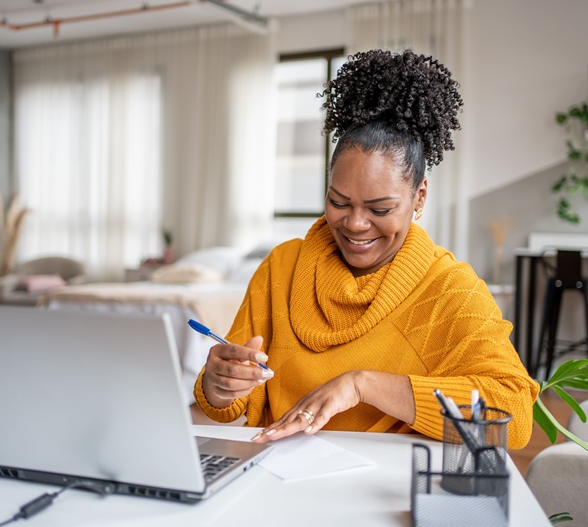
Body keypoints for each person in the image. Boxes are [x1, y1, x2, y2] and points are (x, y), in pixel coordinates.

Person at [193, 49, 539, 449]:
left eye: (380, 209)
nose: (355, 224)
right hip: (275, 478)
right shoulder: (281, 267)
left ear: (419, 197)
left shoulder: (449, 290)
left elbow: (514, 417)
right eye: (339, 202)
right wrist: (220, 386)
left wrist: (364, 384)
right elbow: (233, 401)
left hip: (384, 490)